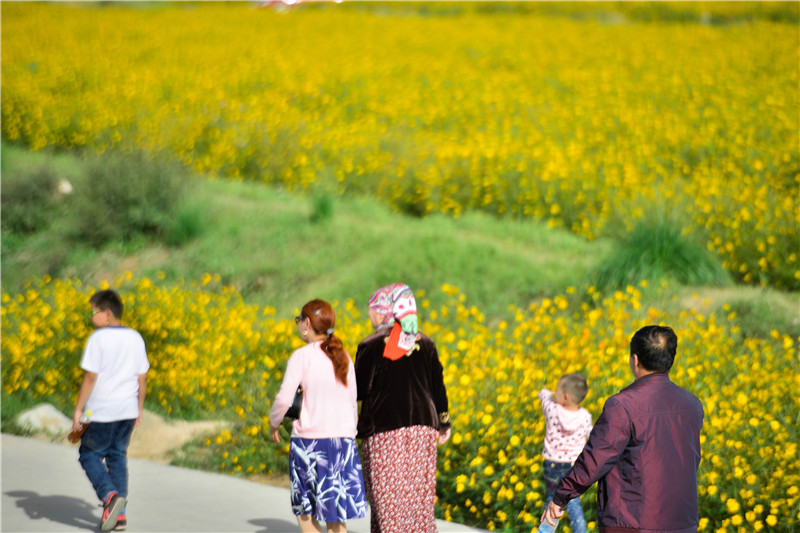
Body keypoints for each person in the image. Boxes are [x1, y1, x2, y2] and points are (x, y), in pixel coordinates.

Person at [542, 325, 704, 533]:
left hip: (632, 523)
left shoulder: (622, 406)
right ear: (670, 360)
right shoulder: (692, 405)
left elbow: (594, 461)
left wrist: (561, 496)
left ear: (634, 360)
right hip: (684, 522)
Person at [355, 283, 451, 533]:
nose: (370, 315)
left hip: (386, 431)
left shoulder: (372, 345)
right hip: (424, 431)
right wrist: (444, 421)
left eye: (373, 309)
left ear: (385, 311)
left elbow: (359, 391)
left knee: (388, 500)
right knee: (417, 501)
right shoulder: (425, 342)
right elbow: (438, 386)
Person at [269, 299, 367, 533]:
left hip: (310, 444)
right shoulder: (343, 356)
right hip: (342, 443)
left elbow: (284, 399)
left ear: (306, 324)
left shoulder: (301, 357)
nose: (298, 325)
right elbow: (353, 401)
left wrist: (274, 423)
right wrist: (348, 435)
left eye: (298, 321)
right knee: (336, 518)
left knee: (306, 513)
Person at [72, 289, 149, 532]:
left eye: (92, 311)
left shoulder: (99, 338)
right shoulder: (136, 337)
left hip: (101, 411)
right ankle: (120, 515)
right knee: (117, 457)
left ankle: (110, 496)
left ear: (106, 314)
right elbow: (143, 378)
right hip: (127, 411)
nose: (90, 316)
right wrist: (138, 409)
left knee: (89, 455)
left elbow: (90, 377)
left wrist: (78, 409)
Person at [538, 373, 593, 533]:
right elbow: (590, 436)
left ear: (566, 397)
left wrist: (545, 392)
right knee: (574, 502)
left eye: (557, 391)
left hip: (552, 465)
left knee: (551, 501)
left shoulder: (553, 410)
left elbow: (545, 401)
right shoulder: (585, 416)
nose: (555, 393)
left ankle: (545, 532)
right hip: (574, 466)